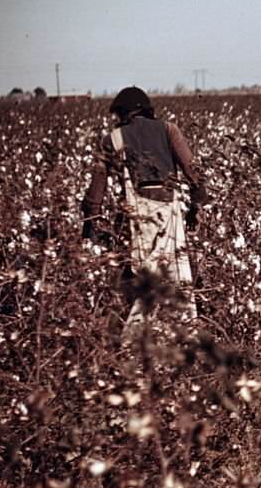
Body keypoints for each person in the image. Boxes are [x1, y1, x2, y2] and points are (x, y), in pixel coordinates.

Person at [81, 86, 205, 323]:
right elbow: (195, 175)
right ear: (146, 110)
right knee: (178, 279)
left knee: (141, 283)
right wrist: (195, 208)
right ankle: (184, 336)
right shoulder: (170, 130)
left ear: (123, 113)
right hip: (171, 215)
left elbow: (96, 192)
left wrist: (90, 223)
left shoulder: (113, 139)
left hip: (135, 220)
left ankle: (132, 342)